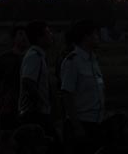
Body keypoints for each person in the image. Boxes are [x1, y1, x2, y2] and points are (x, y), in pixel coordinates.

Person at [60, 20, 105, 154]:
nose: (98, 37)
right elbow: (67, 95)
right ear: (86, 37)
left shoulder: (93, 60)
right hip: (81, 123)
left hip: (96, 123)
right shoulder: (73, 61)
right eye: (95, 34)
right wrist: (77, 127)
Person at [0, 24, 30, 153]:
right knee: (6, 134)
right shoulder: (4, 58)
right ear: (14, 38)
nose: (24, 37)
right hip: (9, 103)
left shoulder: (33, 57)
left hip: (28, 103)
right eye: (20, 34)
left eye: (26, 34)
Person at [18, 20, 54, 133]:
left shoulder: (39, 55)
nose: (51, 35)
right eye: (48, 32)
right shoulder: (34, 56)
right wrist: (40, 103)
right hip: (35, 113)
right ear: (39, 38)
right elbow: (28, 81)